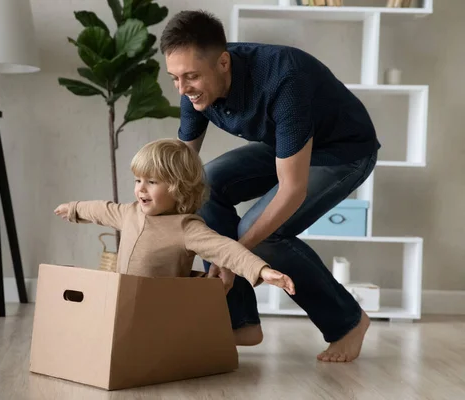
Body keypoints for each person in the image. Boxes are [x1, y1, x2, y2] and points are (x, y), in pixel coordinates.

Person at [160, 10, 379, 362]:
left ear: (223, 63)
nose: (183, 90)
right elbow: (182, 170)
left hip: (343, 151)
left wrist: (235, 256)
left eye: (190, 77)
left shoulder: (283, 79)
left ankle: (348, 322)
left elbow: (292, 191)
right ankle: (238, 322)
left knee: (263, 234)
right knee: (206, 185)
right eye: (174, 78)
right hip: (285, 144)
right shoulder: (194, 88)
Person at [53, 139, 296, 332]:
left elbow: (226, 250)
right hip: (125, 303)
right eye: (138, 180)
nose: (141, 188)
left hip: (162, 312)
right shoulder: (130, 213)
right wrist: (74, 209)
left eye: (152, 181)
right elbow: (101, 210)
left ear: (178, 187)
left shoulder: (186, 227)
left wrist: (261, 270)